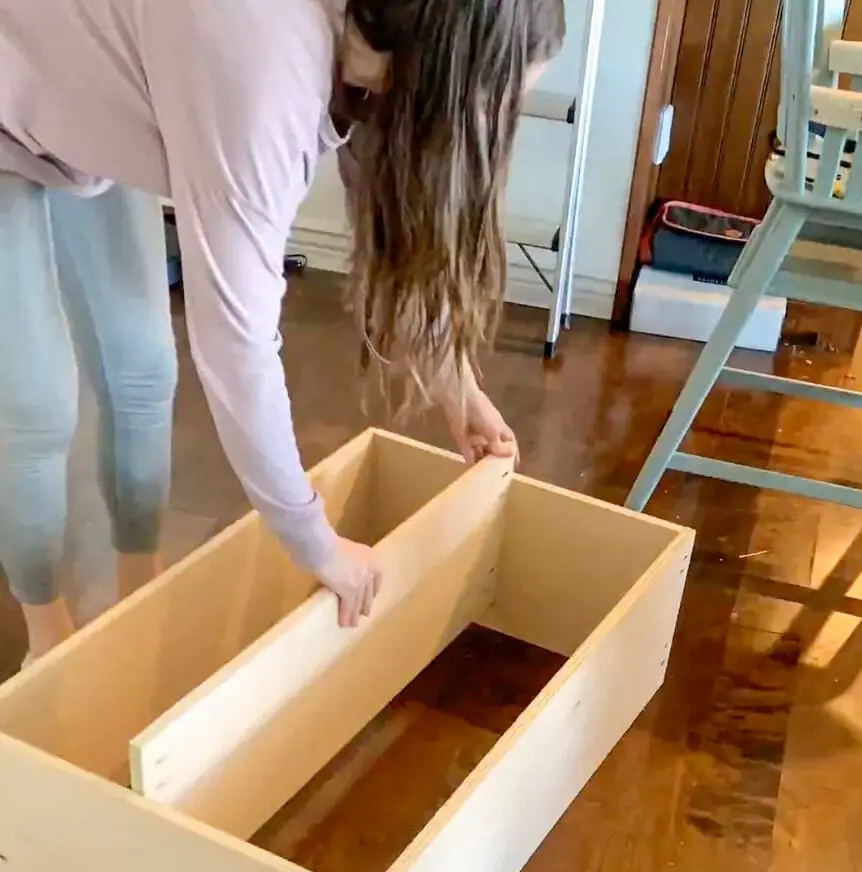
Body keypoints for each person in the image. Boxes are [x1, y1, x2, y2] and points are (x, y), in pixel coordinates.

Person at [0, 0, 566, 659]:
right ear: (438, 68)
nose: (493, 129)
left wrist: (456, 386)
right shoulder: (261, 68)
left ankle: (139, 601)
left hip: (97, 72)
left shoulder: (380, 43)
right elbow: (236, 344)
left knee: (143, 366)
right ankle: (47, 636)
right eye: (491, 104)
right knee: (36, 406)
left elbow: (399, 227)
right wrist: (313, 541)